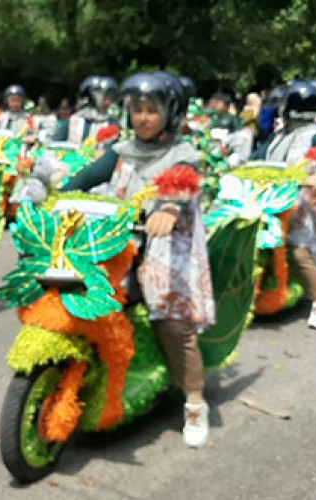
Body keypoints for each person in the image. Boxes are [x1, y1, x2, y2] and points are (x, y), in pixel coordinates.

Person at [62, 72, 215, 448]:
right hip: (120, 245)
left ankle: (194, 402)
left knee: (173, 328)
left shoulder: (183, 155)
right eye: (138, 110)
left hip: (167, 253)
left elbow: (179, 184)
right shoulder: (122, 150)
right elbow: (85, 178)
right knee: (78, 296)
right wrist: (54, 196)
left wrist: (168, 209)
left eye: (152, 110)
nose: (143, 117)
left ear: (171, 113)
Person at [250, 81, 316, 329]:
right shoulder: (281, 134)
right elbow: (258, 156)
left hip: (304, 206)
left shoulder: (315, 135)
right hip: (271, 199)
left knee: (298, 251)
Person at [56, 75, 119, 145]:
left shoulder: (112, 122)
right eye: (106, 97)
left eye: (111, 97)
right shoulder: (75, 120)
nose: (109, 102)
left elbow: (113, 148)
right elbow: (57, 144)